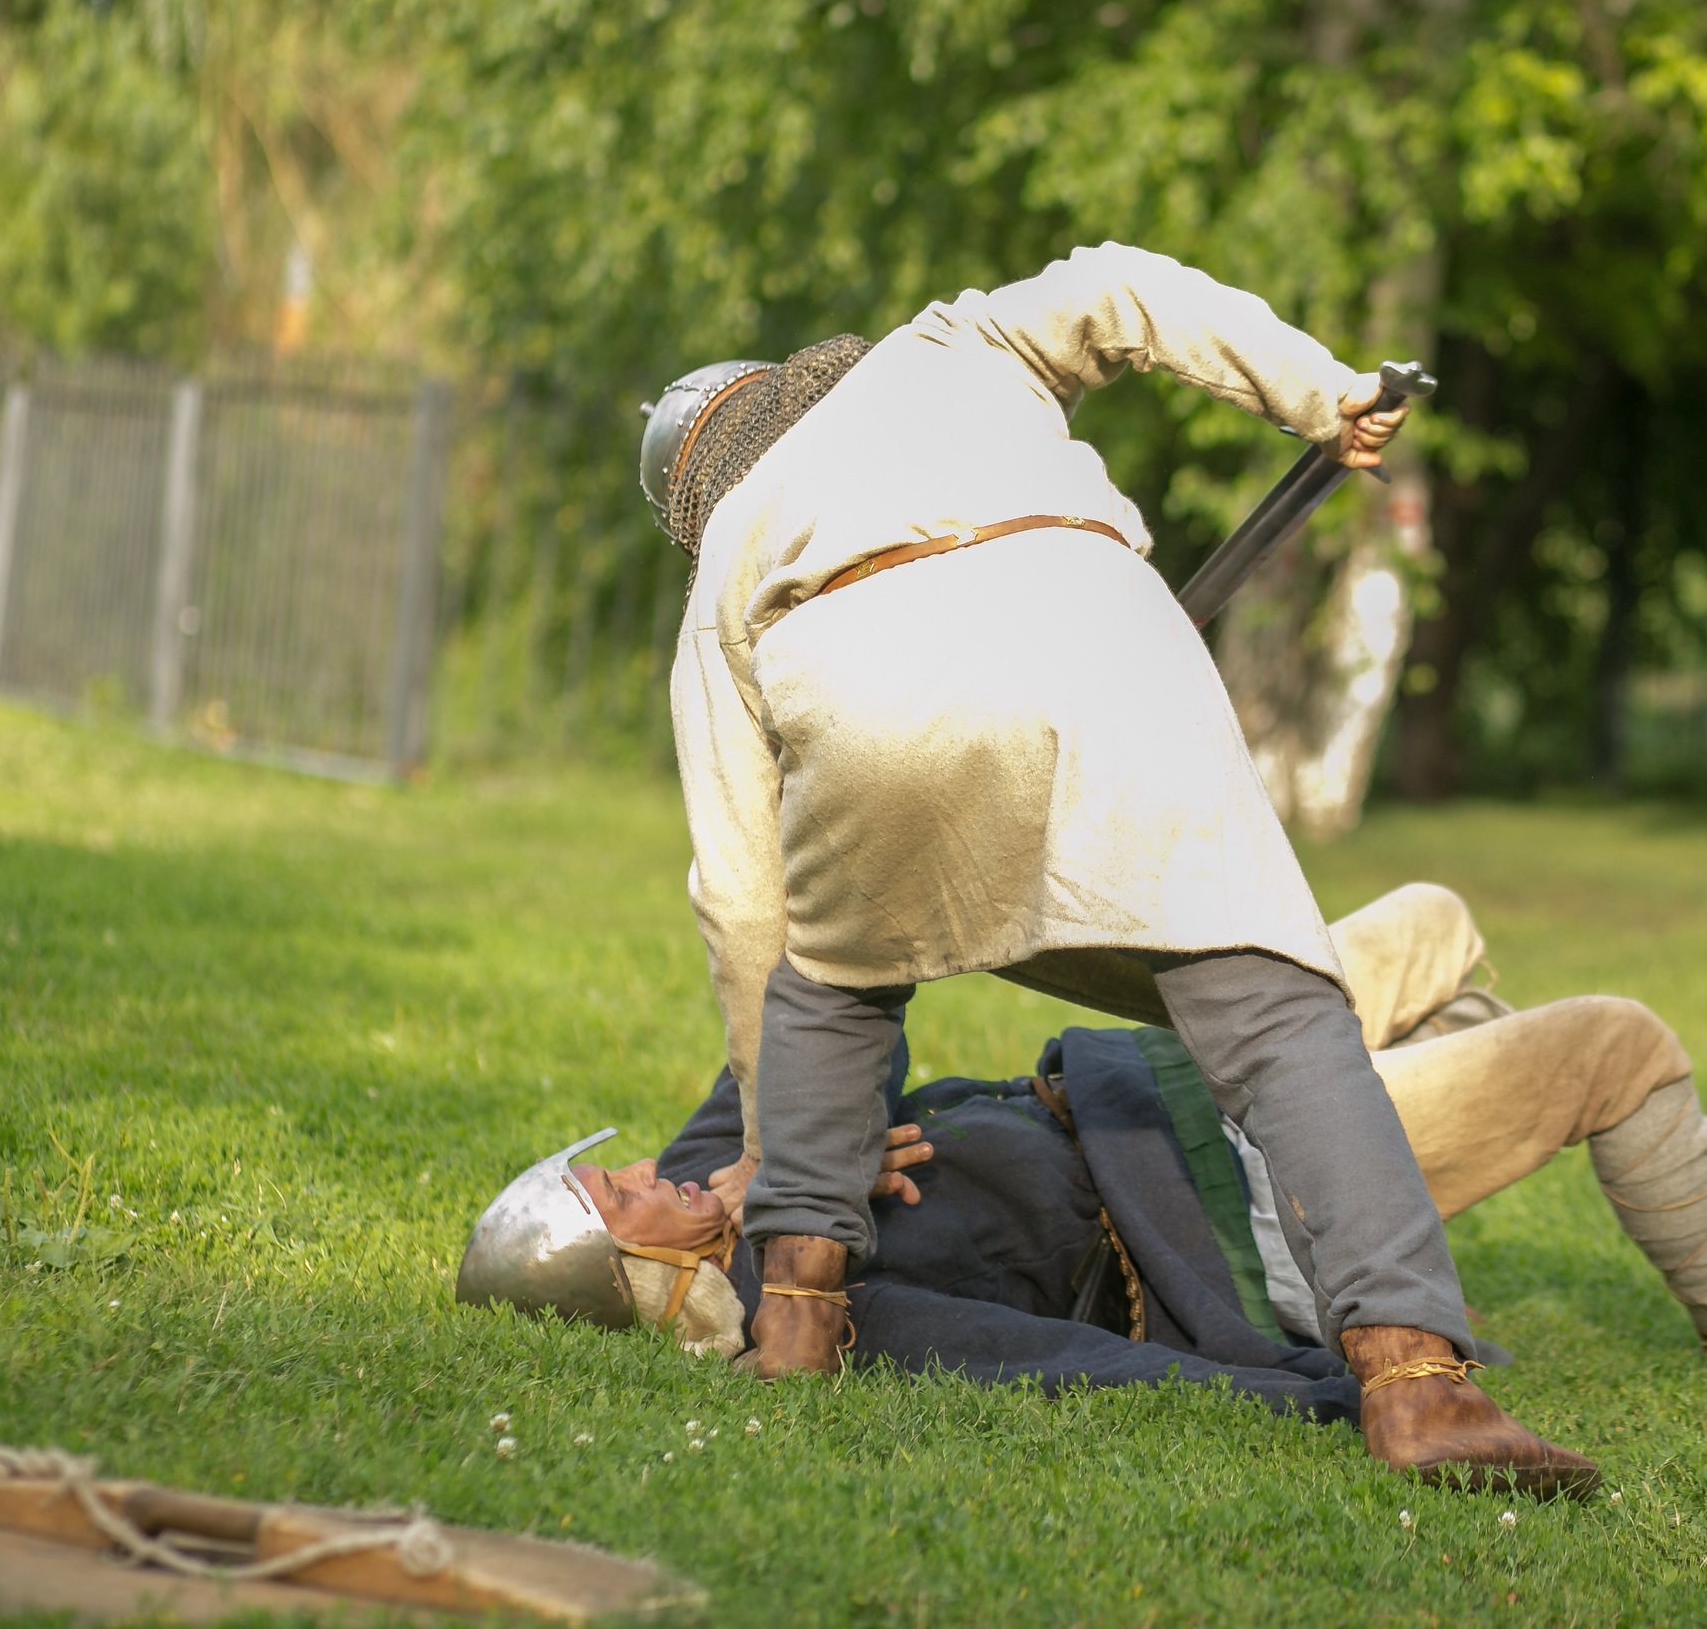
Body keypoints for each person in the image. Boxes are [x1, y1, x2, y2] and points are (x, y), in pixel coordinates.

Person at [651, 243, 1586, 1494]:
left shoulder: (728, 562)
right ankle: (1419, 1390)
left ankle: (796, 1336)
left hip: (856, 692)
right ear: (797, 387)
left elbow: (740, 896)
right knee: (1279, 1026)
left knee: (832, 987)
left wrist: (777, 1137)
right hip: (1109, 656)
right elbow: (1121, 285)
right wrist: (1316, 389)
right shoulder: (950, 342)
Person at [456, 886, 1707, 1479]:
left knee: (1431, 918)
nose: (641, 1164)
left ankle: (1464, 1064)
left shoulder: (722, 1176)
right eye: (617, 1193)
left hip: (1153, 1077)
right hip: (1245, 1192)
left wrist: (785, 1155)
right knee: (1617, 1045)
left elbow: (831, 989)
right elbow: (1073, 1362)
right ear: (649, 1275)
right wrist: (1341, 1384)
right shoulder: (818, 1315)